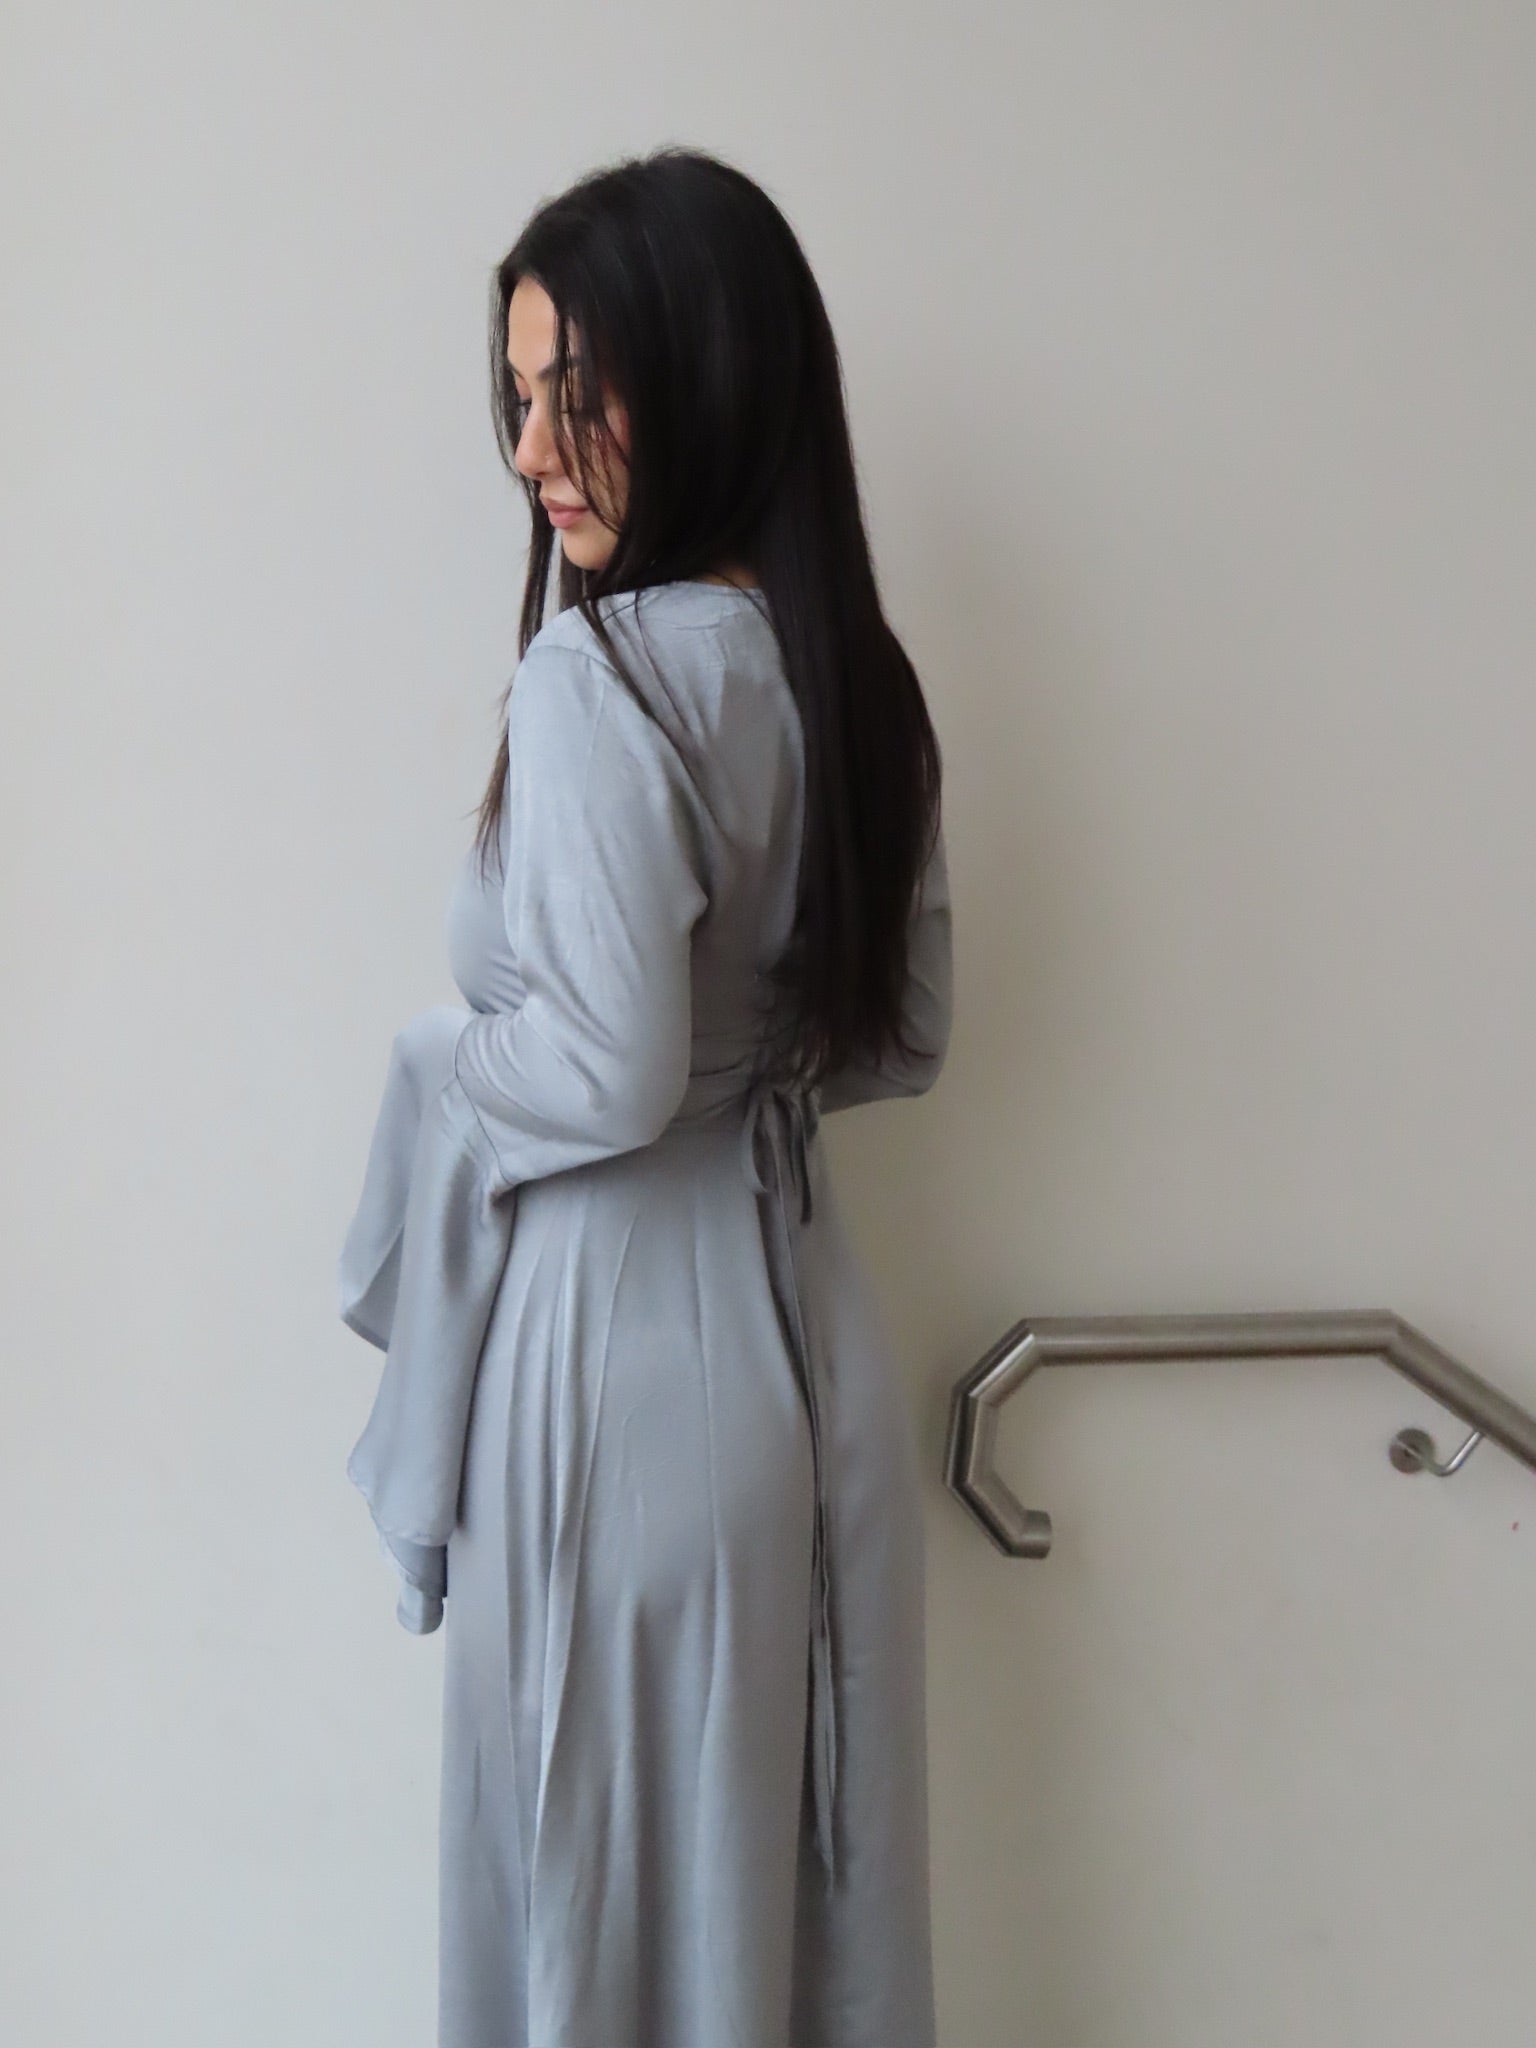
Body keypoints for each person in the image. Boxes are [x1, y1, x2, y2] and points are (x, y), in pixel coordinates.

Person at [337, 144, 954, 2048]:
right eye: (519, 395)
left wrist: (441, 1070)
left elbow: (603, 1068)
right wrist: (730, 1069)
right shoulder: (855, 680)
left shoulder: (597, 678)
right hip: (809, 1356)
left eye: (577, 394)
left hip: (610, 1375)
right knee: (787, 1906)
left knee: (586, 1907)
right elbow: (904, 1036)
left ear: (710, 380)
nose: (533, 449)